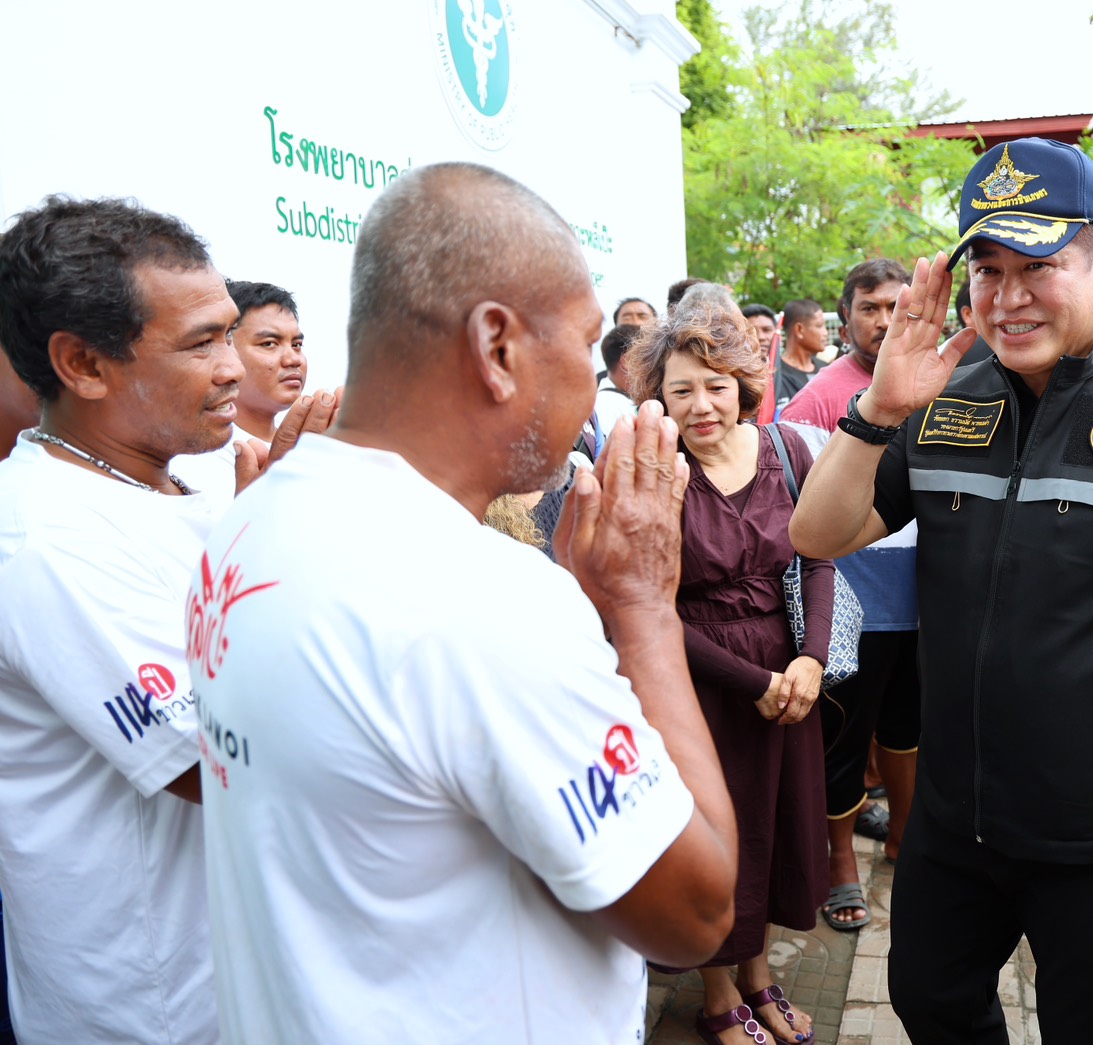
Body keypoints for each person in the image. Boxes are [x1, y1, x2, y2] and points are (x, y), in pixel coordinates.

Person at [189, 162, 738, 1043]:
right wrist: (641, 611)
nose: (600, 386)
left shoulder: (252, 515)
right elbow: (696, 912)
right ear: (498, 346)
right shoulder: (483, 598)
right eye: (587, 339)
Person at [790, 138, 1093, 1044]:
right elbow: (816, 535)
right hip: (953, 815)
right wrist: (877, 414)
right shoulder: (946, 398)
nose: (1006, 296)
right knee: (929, 1002)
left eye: (1037, 266)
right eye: (986, 268)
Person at [0, 196, 328, 1044]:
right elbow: (224, 765)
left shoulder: (187, 480)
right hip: (152, 1006)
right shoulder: (44, 540)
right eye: (200, 343)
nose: (234, 369)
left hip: (241, 979)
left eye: (230, 332)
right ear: (82, 363)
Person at [625, 299, 831, 1045]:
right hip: (700, 681)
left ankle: (758, 974)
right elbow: (650, 606)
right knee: (720, 835)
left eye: (714, 385)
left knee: (778, 826)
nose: (700, 404)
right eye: (680, 390)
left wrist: (809, 657)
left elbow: (817, 553)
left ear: (744, 383)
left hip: (786, 678)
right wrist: (753, 682)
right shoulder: (654, 473)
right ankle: (718, 994)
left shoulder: (786, 452)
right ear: (658, 398)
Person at [780, 261, 924, 933]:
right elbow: (795, 505)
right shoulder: (815, 397)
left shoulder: (941, 381)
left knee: (909, 729)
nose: (884, 316)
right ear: (845, 320)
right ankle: (840, 863)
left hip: (927, 599)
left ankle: (903, 836)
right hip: (851, 601)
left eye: (897, 303)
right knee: (843, 737)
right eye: (870, 306)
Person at [171, 280, 310, 495]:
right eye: (269, 344)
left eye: (296, 345)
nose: (293, 359)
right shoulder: (196, 457)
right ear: (225, 348)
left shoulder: (312, 448)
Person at [592, 322, 639, 452]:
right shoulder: (605, 408)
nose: (655, 365)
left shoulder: (613, 403)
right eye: (648, 356)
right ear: (627, 360)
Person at [774, 299, 824, 415]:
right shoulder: (775, 375)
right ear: (799, 329)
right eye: (819, 325)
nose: (825, 332)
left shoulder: (826, 369)